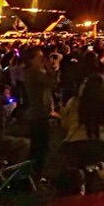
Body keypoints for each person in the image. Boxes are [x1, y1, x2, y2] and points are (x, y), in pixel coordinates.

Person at [60, 74, 104, 169]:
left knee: (76, 174)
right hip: (98, 144)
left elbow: (65, 125)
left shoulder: (73, 102)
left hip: (75, 144)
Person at [22, 48, 59, 176]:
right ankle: (36, 174)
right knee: (41, 146)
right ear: (32, 59)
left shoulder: (33, 71)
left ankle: (30, 172)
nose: (42, 58)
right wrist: (54, 68)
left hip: (37, 111)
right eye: (40, 56)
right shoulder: (35, 71)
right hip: (40, 113)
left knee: (36, 144)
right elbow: (53, 83)